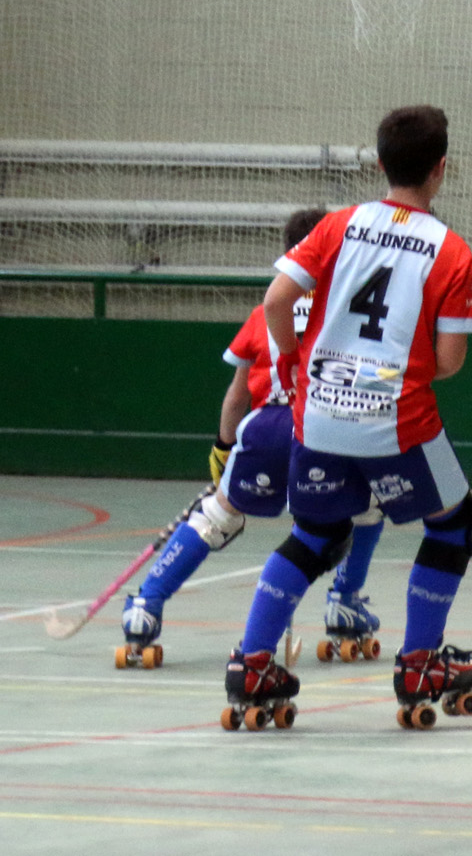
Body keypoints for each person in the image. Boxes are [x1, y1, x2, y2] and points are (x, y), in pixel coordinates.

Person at [221, 105, 472, 732]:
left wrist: (292, 361)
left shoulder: (339, 225)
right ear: (441, 169)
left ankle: (252, 662)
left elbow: (277, 301)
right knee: (455, 525)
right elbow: (448, 362)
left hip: (317, 414)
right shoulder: (450, 252)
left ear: (379, 163)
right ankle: (420, 665)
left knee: (317, 534)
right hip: (397, 419)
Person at [117, 208, 387, 667]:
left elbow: (237, 394)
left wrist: (224, 448)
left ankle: (145, 606)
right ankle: (343, 598)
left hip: (265, 429)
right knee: (363, 511)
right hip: (327, 429)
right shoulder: (346, 310)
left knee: (217, 515)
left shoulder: (266, 311)